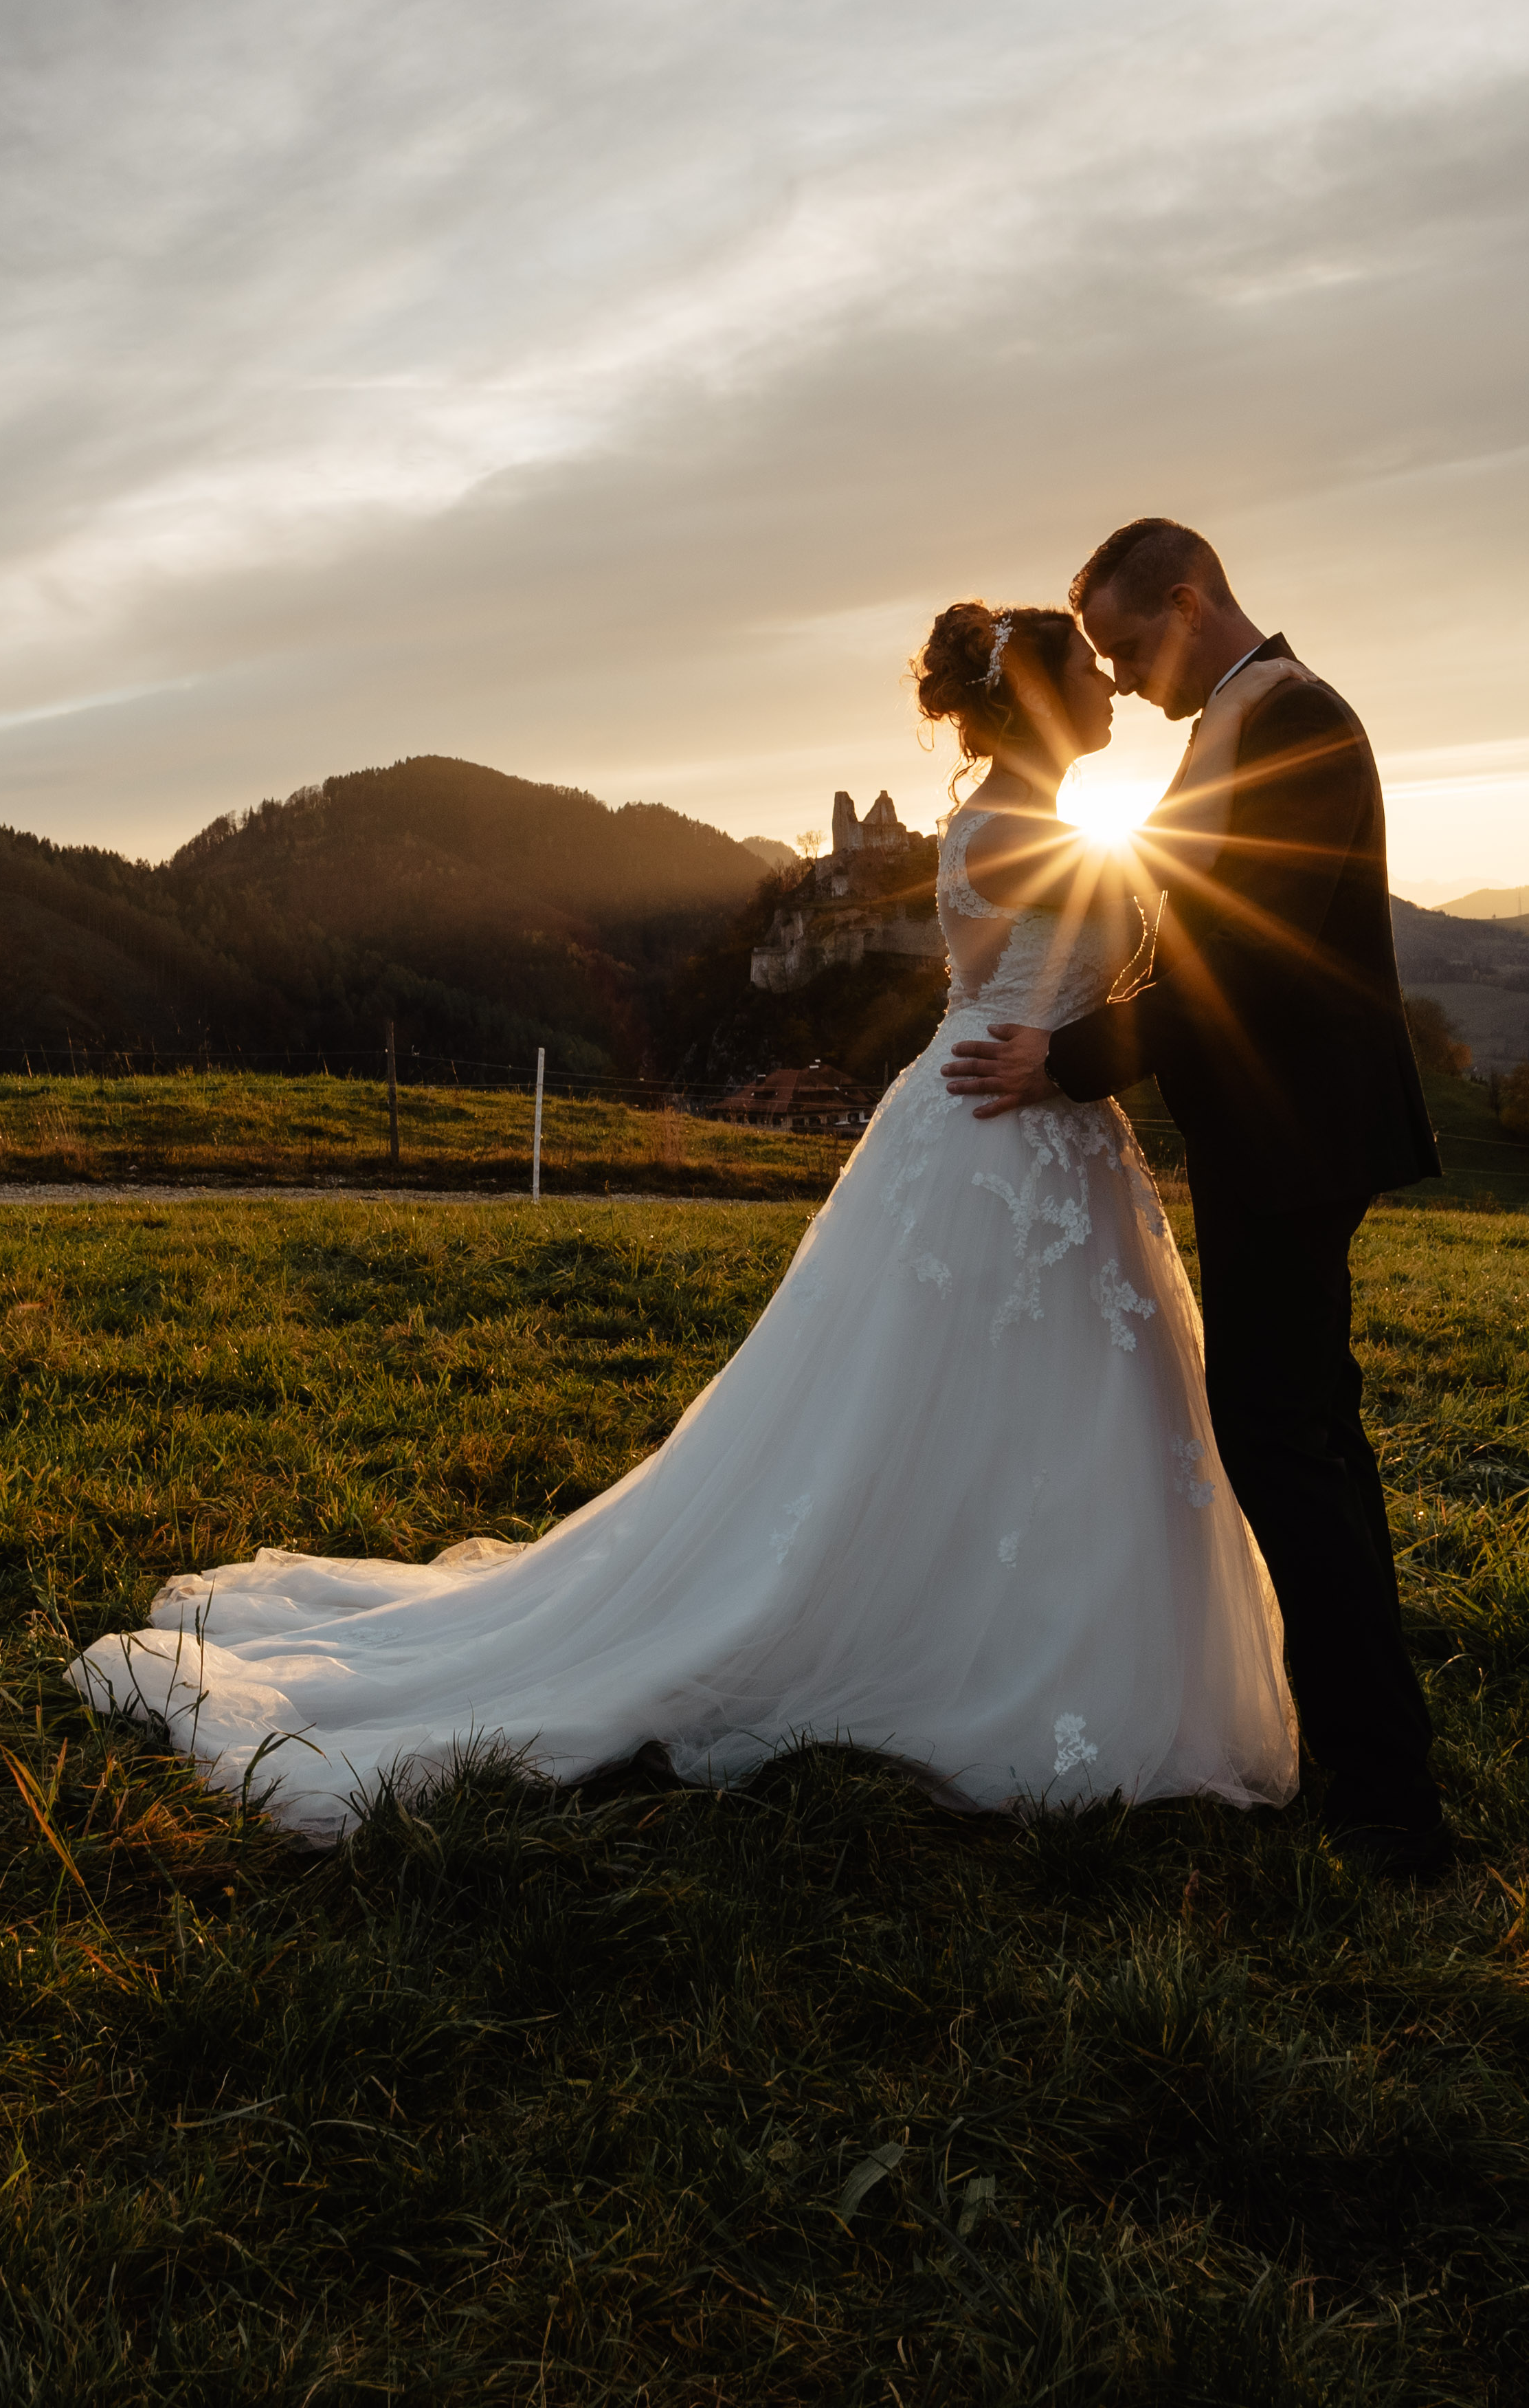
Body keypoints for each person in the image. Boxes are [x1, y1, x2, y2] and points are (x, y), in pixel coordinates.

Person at [74, 602, 1296, 1842]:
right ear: (1034, 702)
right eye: (1086, 672)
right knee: (942, 1388)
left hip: (1054, 1121)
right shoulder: (1007, 829)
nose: (1108, 690)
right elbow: (1014, 968)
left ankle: (1050, 1624)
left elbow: (1085, 967)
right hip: (994, 1125)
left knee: (1068, 1393)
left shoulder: (1049, 824)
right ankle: (944, 1634)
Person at [941, 518, 1453, 1879]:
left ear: (1185, 603)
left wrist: (1074, 1051)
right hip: (1274, 1131)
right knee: (1305, 1430)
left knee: (1282, 1435)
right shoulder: (1244, 717)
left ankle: (1385, 1795)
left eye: (1121, 646)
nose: (1118, 675)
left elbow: (1240, 954)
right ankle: (1372, 1736)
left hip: (1295, 1136)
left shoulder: (1288, 724)